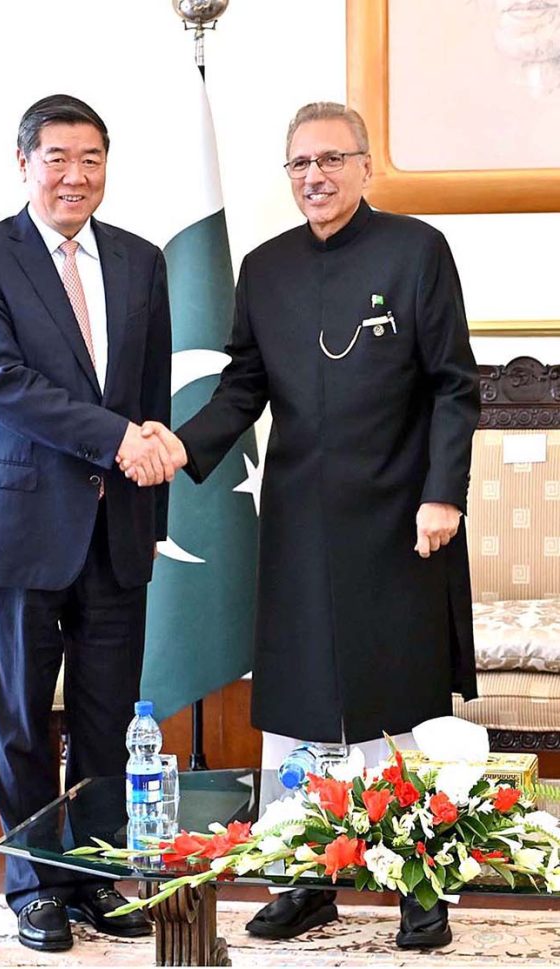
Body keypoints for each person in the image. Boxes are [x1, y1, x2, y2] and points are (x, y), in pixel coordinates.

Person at [121, 101, 481, 949]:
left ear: (365, 166)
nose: (314, 176)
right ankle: (305, 877)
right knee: (299, 708)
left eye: (330, 159)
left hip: (401, 516)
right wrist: (181, 442)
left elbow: (454, 384)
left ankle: (418, 885)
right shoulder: (265, 266)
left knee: (401, 710)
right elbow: (244, 386)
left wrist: (443, 493)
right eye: (298, 165)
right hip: (298, 520)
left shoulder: (418, 249)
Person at [0, 93, 177, 953]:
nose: (75, 175)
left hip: (117, 531)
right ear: (24, 164)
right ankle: (33, 885)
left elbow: (148, 399)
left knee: (108, 717)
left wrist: (151, 501)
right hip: (15, 530)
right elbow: (3, 384)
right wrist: (120, 437)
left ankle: (90, 878)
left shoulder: (142, 260)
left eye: (91, 158)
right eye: (57, 158)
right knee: (17, 716)